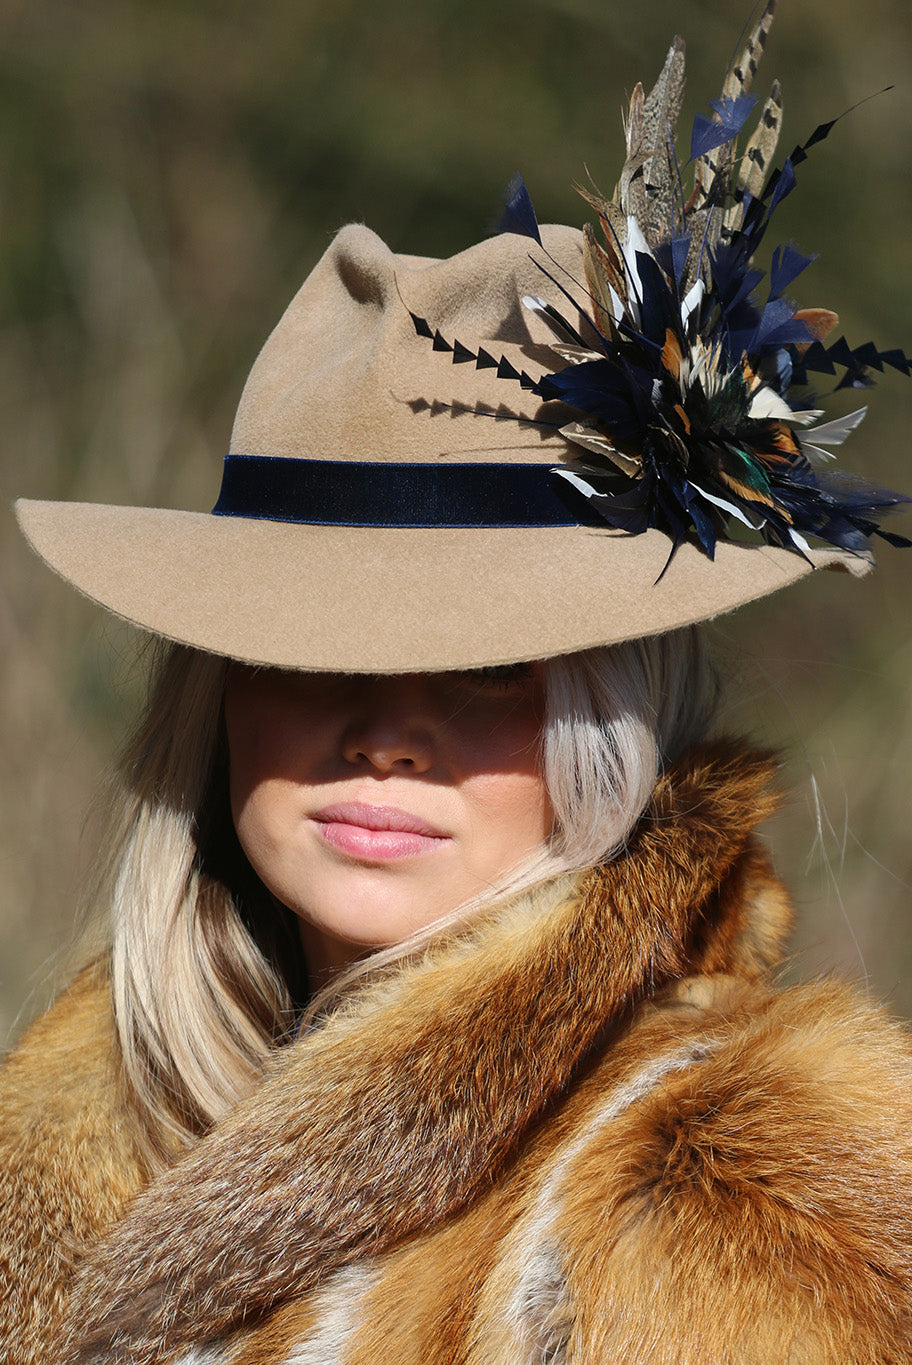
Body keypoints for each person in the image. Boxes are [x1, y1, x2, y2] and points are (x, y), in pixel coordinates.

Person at [3, 7, 912, 1362]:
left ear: (613, 711)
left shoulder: (724, 1184)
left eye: (488, 664)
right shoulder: (97, 1126)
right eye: (312, 649)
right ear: (218, 690)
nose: (384, 733)